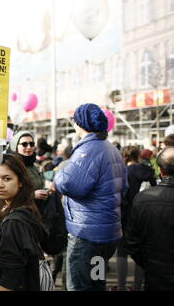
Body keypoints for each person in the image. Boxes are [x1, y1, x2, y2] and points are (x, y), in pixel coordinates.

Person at [53, 103, 128, 291]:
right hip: (107, 235)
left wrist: (58, 176)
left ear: (81, 124)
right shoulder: (111, 149)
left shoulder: (88, 151)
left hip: (87, 235)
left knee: (79, 286)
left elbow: (71, 184)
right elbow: (124, 186)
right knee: (97, 282)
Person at [0, 153, 45, 291]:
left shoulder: (14, 222)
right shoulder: (13, 209)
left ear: (21, 181)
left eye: (7, 178)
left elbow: (10, 276)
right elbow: (0, 244)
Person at [123, 147, 174, 290]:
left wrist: (148, 262)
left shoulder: (142, 199)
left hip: (154, 273)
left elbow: (132, 242)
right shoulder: (143, 199)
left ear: (160, 171)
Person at [113, 146, 156, 291]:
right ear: (138, 156)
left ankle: (121, 286)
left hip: (124, 216)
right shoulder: (148, 171)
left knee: (122, 252)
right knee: (141, 252)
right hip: (144, 215)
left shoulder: (122, 171)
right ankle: (138, 286)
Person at [9, 131, 49, 207]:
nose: (29, 147)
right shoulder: (12, 166)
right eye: (24, 144)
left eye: (31, 144)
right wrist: (32, 195)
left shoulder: (33, 165)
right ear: (16, 147)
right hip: (21, 211)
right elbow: (8, 193)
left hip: (37, 210)